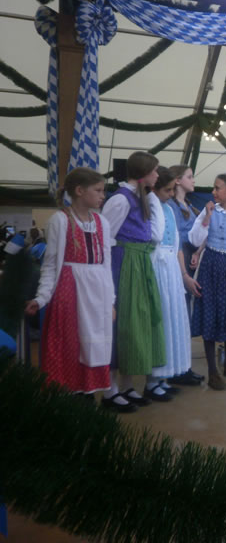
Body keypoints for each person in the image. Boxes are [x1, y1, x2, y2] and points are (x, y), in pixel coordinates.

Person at [25, 168, 114, 402]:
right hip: (70, 292)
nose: (103, 195)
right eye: (98, 190)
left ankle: (88, 395)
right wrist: (41, 298)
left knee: (92, 345)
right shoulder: (60, 220)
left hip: (97, 295)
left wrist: (111, 302)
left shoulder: (102, 222)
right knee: (70, 346)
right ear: (79, 191)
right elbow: (50, 265)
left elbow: (106, 265)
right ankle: (69, 400)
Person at [101, 151, 165, 411]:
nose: (158, 175)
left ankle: (127, 385)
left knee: (135, 325)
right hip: (124, 265)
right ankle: (110, 390)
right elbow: (106, 238)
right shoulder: (120, 199)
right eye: (154, 171)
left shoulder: (142, 197)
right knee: (122, 326)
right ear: (143, 172)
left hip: (139, 264)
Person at [189, 173, 226, 390]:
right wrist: (206, 217)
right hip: (210, 265)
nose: (213, 192)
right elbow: (195, 238)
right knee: (209, 315)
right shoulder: (210, 211)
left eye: (217, 188)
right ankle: (212, 372)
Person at [148, 167, 197, 398]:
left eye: (170, 190)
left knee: (172, 319)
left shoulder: (168, 208)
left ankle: (164, 376)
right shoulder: (151, 205)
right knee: (161, 320)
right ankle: (152, 380)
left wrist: (182, 273)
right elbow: (155, 237)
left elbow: (176, 245)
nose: (169, 194)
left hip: (171, 268)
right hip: (157, 264)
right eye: (166, 190)